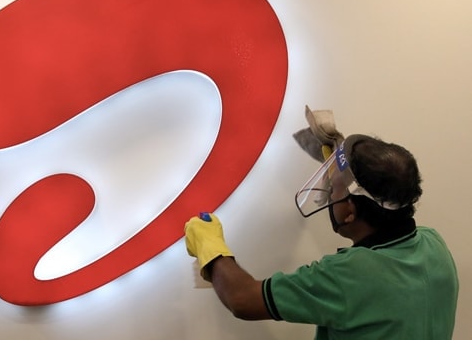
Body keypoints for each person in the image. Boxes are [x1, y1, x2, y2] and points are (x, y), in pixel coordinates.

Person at [185, 134, 459, 339]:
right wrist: (342, 162)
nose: (329, 192)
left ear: (349, 211)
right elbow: (386, 185)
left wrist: (209, 243)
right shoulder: (433, 244)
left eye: (333, 188)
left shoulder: (348, 275)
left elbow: (243, 299)